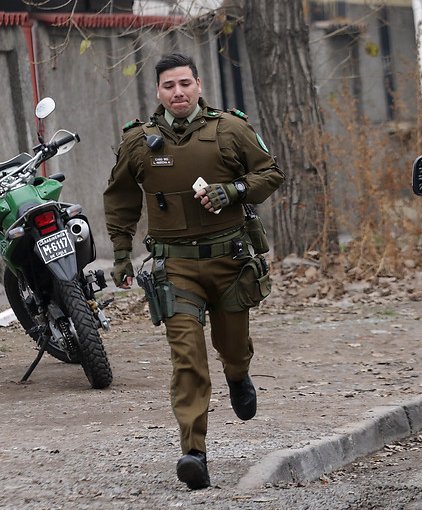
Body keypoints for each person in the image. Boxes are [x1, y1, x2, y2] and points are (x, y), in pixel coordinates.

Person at [103, 53, 284, 490]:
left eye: (185, 83)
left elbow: (270, 173)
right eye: (169, 85)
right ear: (158, 92)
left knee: (233, 347)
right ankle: (193, 452)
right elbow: (122, 197)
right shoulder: (138, 141)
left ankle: (238, 376)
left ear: (198, 85)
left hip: (229, 263)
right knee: (187, 360)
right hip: (175, 266)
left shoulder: (230, 129)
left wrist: (233, 190)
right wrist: (122, 253)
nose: (178, 92)